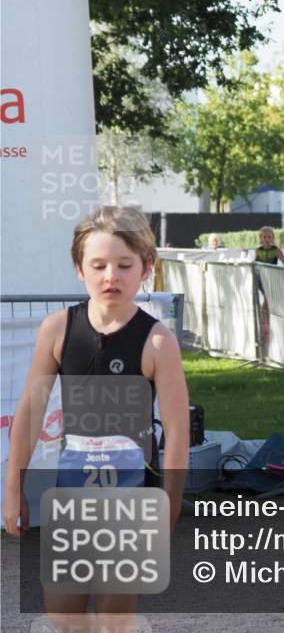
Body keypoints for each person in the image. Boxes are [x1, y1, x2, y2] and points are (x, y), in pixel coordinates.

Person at [3, 206, 189, 631]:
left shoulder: (158, 341)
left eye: (124, 265)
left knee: (113, 617)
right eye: (99, 265)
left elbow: (177, 431)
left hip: (131, 500)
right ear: (79, 269)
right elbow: (30, 413)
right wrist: (13, 489)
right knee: (63, 616)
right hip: (72, 496)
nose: (111, 276)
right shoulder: (57, 330)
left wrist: (171, 505)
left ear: (145, 268)